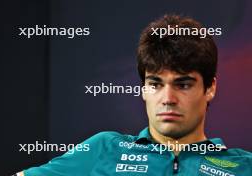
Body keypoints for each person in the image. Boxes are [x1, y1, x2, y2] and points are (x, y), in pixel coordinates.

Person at [13, 15, 252, 176]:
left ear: (210, 88)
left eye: (183, 85)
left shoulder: (244, 166)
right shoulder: (104, 149)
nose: (168, 98)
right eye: (155, 84)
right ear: (143, 89)